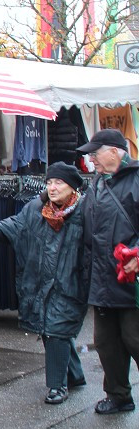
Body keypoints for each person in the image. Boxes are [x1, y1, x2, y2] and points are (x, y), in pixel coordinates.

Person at [0, 161, 89, 404]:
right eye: (49, 182)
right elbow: (14, 226)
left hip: (70, 283)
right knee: (53, 329)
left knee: (56, 329)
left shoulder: (85, 212)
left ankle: (57, 386)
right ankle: (75, 375)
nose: (52, 187)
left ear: (72, 187)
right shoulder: (35, 209)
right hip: (40, 281)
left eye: (58, 182)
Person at [76, 129, 139, 414]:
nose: (91, 161)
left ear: (114, 151)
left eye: (95, 154)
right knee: (106, 343)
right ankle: (118, 395)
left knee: (134, 340)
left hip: (132, 282)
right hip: (103, 280)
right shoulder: (98, 183)